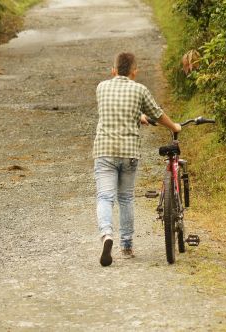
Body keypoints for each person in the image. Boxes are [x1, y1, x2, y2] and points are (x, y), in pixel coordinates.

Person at [93, 52, 181, 267]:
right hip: (129, 152)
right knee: (125, 199)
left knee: (105, 197)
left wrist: (137, 115)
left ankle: (107, 235)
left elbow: (115, 110)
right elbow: (157, 114)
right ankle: (127, 245)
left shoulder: (101, 87)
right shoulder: (139, 89)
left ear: (113, 70)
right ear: (134, 71)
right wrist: (174, 126)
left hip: (104, 151)